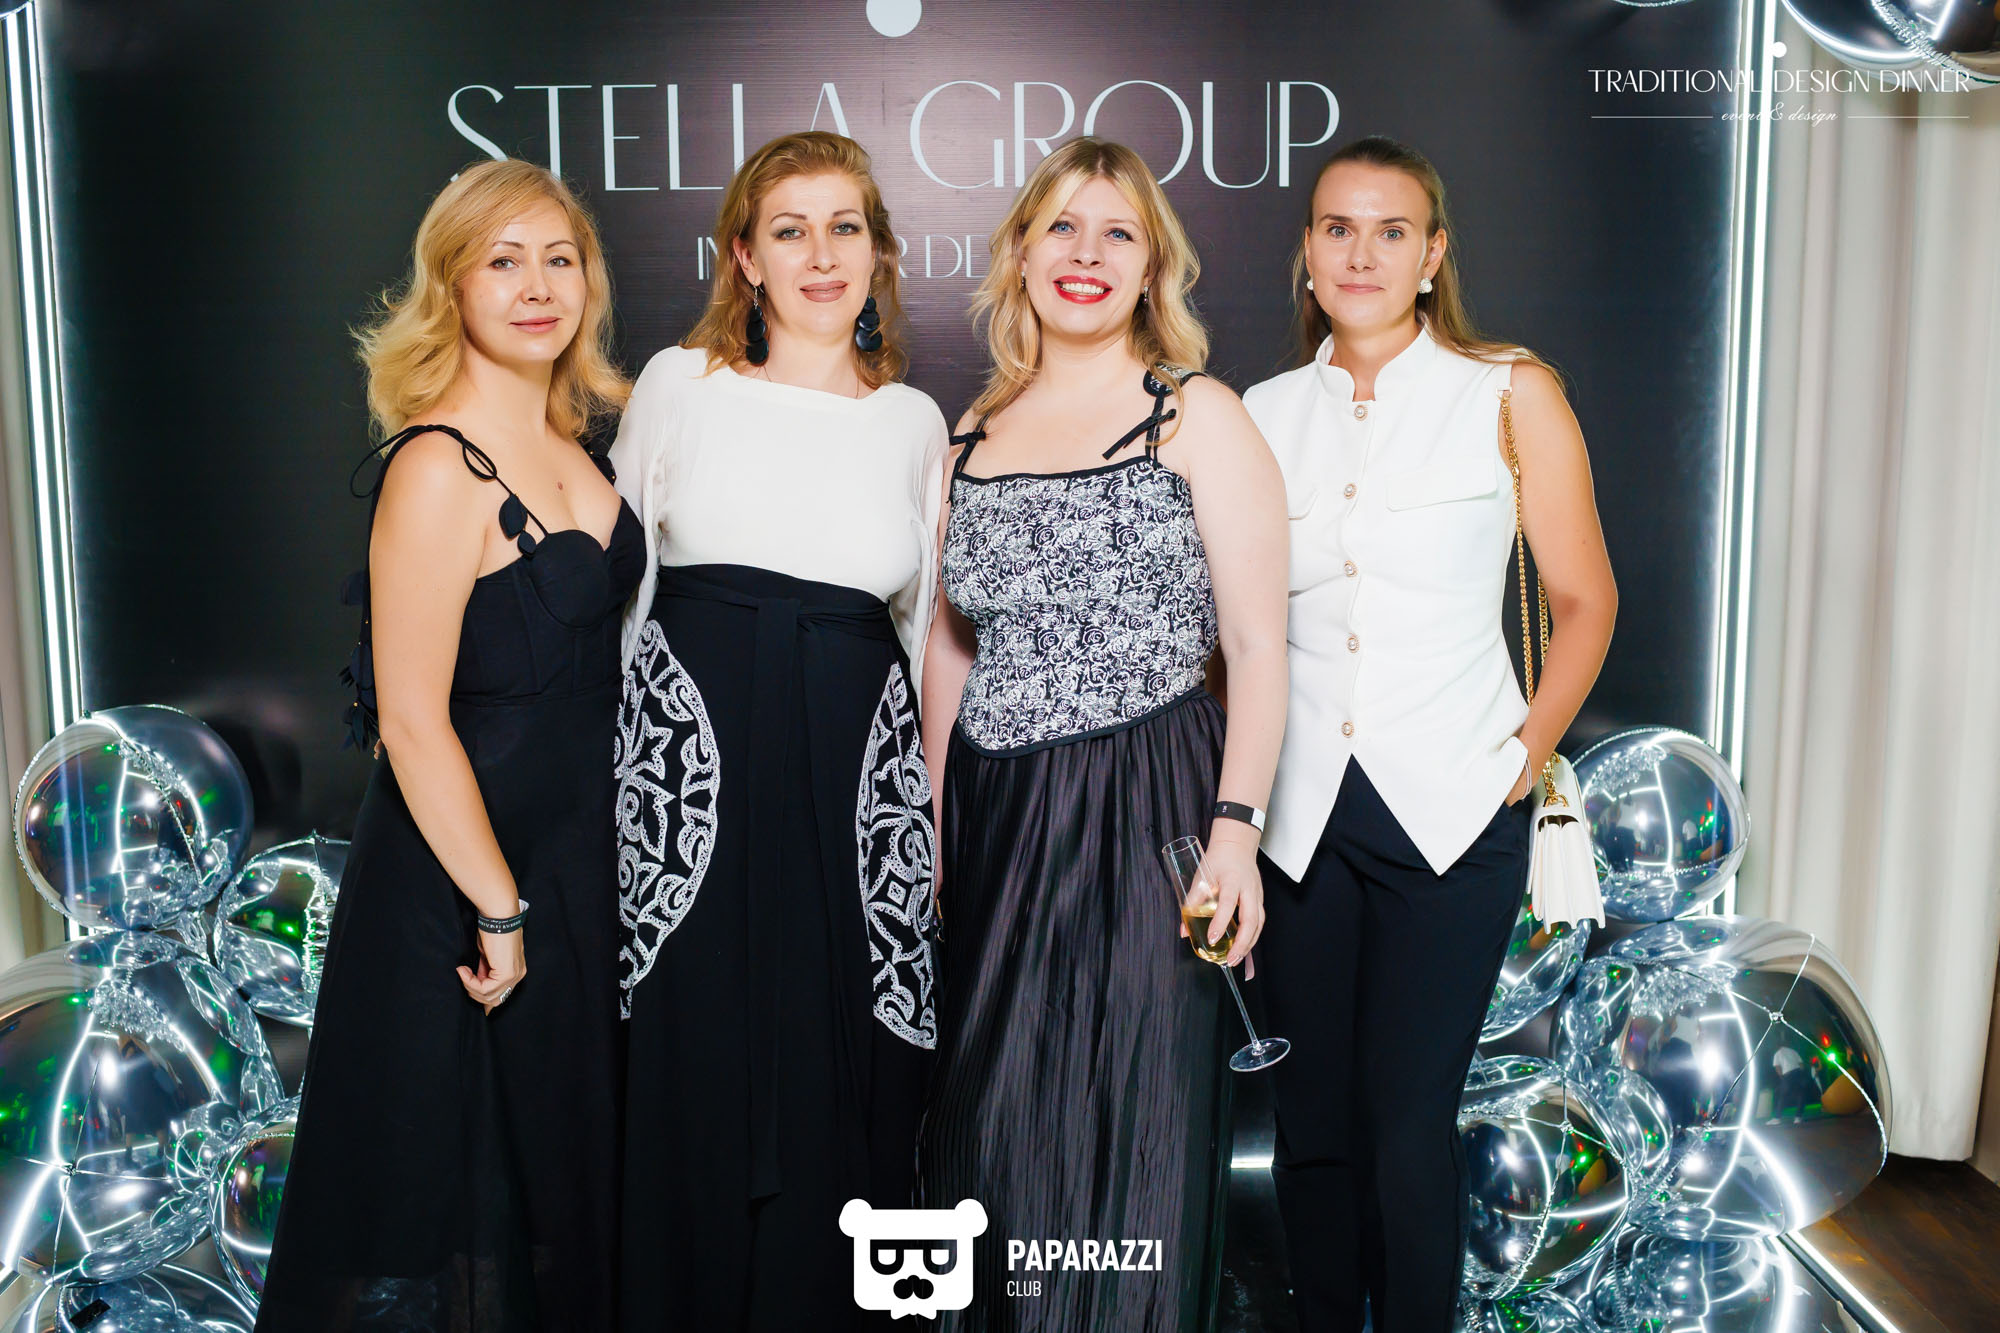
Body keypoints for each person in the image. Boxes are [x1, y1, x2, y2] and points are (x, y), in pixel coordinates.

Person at [1242, 135, 1618, 1333]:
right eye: (1336, 228)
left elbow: (1583, 600)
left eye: (1389, 230)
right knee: (1309, 1127)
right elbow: (1233, 630)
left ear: (1431, 254)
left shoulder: (1506, 392)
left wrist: (1522, 755)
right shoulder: (1254, 415)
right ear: (1307, 252)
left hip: (1455, 811)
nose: (1360, 253)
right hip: (1298, 821)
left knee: (1407, 1126)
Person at [917, 137, 1289, 1332]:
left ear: (1150, 266)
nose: (1086, 254)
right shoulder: (969, 432)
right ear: (1020, 253)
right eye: (1062, 228)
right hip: (997, 819)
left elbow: (1259, 647)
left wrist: (1234, 835)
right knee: (993, 1132)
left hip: (1150, 810)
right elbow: (949, 646)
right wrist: (932, 827)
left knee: (1137, 1130)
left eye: (1116, 232)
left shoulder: (1195, 416)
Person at [258, 158, 637, 1331]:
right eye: (502, 261)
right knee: (451, 1207)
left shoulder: (579, 447)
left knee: (557, 1199)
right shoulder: (434, 465)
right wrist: (500, 909)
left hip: (576, 868)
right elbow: (412, 724)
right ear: (451, 285)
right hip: (461, 890)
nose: (537, 286)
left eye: (559, 259)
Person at [609, 130, 947, 1329]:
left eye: (844, 228)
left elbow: (924, 636)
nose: (819, 256)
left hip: (853, 790)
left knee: (839, 1065)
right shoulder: (678, 385)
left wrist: (926, 821)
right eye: (789, 231)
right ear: (743, 257)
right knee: (689, 1055)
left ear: (878, 254)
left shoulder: (913, 422)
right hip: (686, 785)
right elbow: (618, 599)